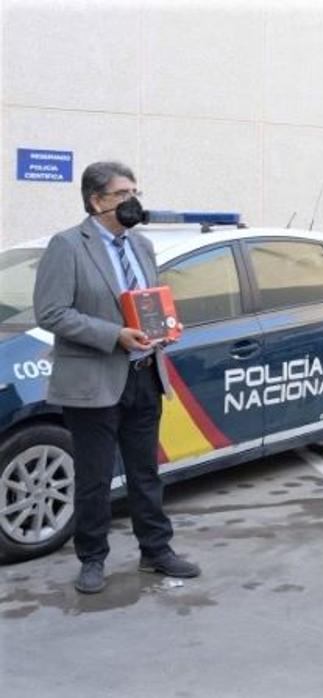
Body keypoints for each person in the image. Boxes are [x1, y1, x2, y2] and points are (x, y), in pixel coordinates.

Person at [33, 161, 200, 594]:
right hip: (93, 381)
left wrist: (163, 328)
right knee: (94, 478)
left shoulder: (141, 246)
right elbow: (51, 313)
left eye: (134, 192)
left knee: (146, 472)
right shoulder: (68, 246)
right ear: (97, 201)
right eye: (123, 195)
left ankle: (156, 551)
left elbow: (149, 299)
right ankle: (92, 559)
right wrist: (114, 336)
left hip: (145, 374)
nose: (133, 202)